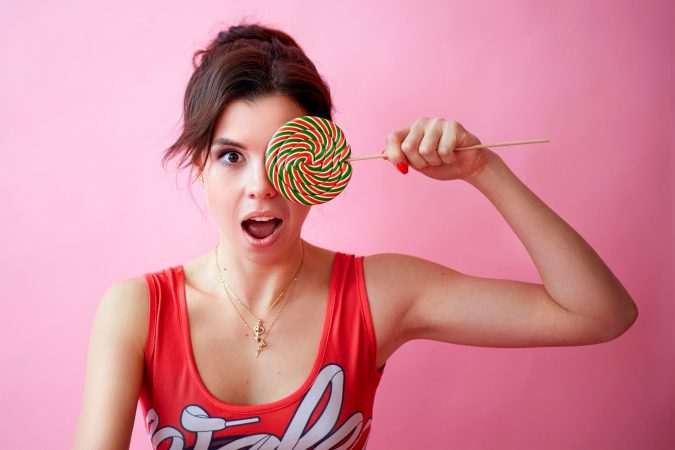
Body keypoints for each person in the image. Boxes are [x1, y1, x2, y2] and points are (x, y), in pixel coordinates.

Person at [73, 23, 638, 450]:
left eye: (283, 155)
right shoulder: (138, 310)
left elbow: (599, 313)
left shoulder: (378, 294)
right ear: (199, 167)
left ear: (318, 165)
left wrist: (482, 170)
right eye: (230, 156)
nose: (261, 185)